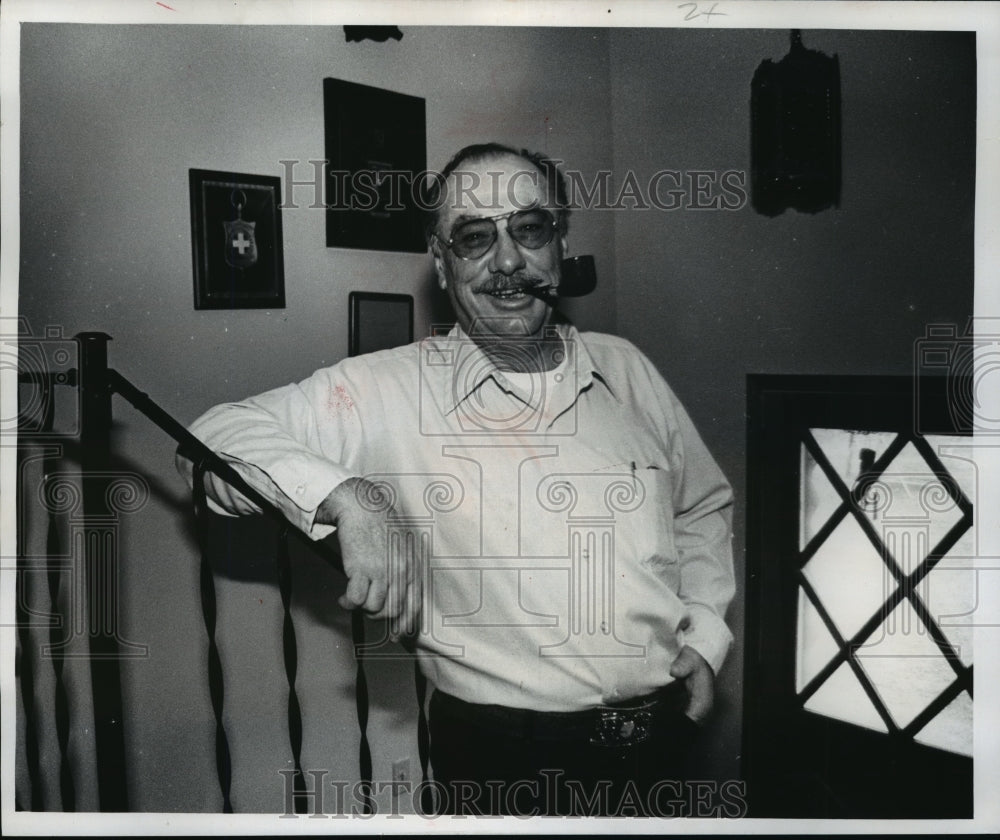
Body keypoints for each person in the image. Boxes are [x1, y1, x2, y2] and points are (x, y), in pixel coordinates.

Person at [179, 142, 735, 817]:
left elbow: (701, 507)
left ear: (559, 244)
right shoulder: (390, 386)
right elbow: (209, 438)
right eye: (475, 237)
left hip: (665, 746)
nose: (507, 261)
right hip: (507, 766)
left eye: (529, 229)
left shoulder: (625, 368)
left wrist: (706, 636)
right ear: (442, 266)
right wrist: (347, 496)